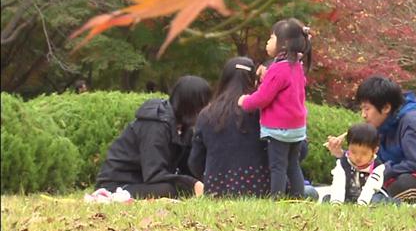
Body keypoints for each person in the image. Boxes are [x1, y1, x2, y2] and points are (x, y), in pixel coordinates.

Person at [328, 76, 416, 205]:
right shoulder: (382, 126)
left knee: (400, 185)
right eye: (362, 109)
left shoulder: (415, 123)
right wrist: (343, 155)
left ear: (386, 107)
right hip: (404, 177)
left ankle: (376, 199)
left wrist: (383, 172)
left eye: (367, 109)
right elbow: (373, 161)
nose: (363, 115)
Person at [96, 76, 211, 198]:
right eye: (204, 103)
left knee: (180, 189)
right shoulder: (155, 124)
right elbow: (154, 174)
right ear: (192, 103)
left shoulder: (183, 127)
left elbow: (187, 167)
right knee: (168, 189)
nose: (208, 107)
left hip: (141, 181)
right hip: (118, 184)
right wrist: (191, 184)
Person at [239, 18, 311, 198]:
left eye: (271, 38)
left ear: (284, 43)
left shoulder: (278, 68)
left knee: (278, 166)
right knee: (293, 164)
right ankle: (297, 198)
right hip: (297, 127)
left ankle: (276, 198)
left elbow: (263, 98)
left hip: (279, 128)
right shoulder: (297, 65)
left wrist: (245, 101)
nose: (267, 42)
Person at [188, 57, 271, 197]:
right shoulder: (263, 112)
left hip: (216, 189)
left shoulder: (207, 114)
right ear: (254, 80)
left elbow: (195, 161)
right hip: (262, 188)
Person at [322, 123, 389, 205]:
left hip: (371, 195)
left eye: (364, 153)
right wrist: (336, 202)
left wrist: (362, 203)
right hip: (348, 196)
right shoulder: (343, 163)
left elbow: (371, 186)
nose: (358, 157)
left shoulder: (377, 167)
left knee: (376, 201)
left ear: (374, 151)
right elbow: (338, 183)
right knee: (327, 198)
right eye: (353, 152)